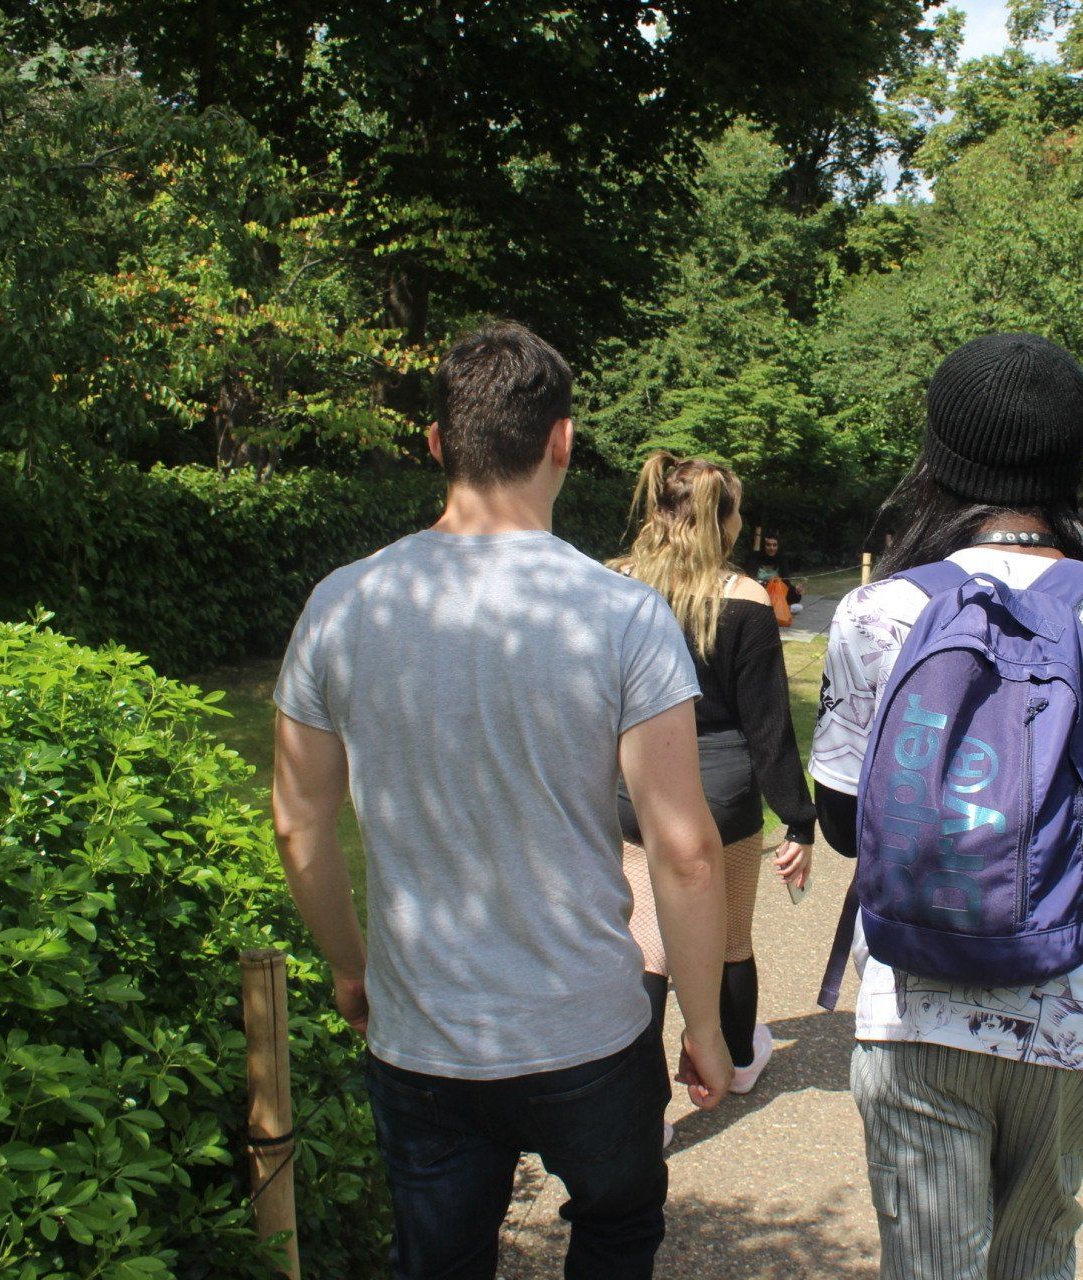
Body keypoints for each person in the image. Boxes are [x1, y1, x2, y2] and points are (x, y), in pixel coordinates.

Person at [271, 321, 733, 1280]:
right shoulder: (623, 615)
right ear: (562, 441)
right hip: (590, 1032)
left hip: (422, 1036)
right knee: (616, 1233)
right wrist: (704, 1026)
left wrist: (352, 968)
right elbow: (684, 850)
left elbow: (298, 823)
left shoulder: (342, 605)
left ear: (437, 444)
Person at [810, 333, 1083, 1280]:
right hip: (1074, 1018)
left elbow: (843, 825)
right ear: (1073, 461)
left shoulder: (876, 615)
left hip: (915, 1014)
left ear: (938, 459)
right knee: (1038, 1255)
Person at [611, 453, 816, 1134]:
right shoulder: (746, 599)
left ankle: (641, 1111)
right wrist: (799, 820)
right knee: (728, 938)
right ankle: (739, 1061)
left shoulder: (614, 586)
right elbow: (769, 727)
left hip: (637, 786)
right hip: (722, 795)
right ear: (720, 521)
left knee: (647, 947)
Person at [744, 533, 805, 617]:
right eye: (768, 545)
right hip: (757, 595)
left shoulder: (782, 561)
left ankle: (774, 610)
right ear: (763, 546)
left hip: (775, 597)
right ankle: (776, 611)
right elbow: (749, 581)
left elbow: (786, 584)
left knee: (798, 606)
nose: (772, 548)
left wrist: (797, 591)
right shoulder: (754, 559)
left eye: (774, 545)